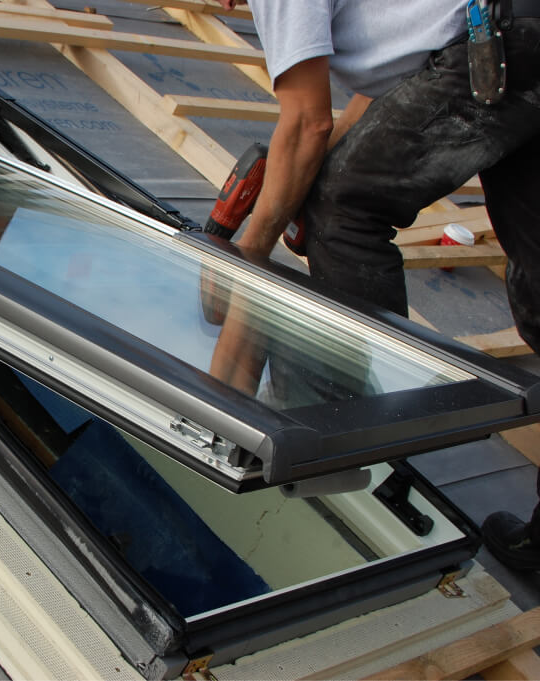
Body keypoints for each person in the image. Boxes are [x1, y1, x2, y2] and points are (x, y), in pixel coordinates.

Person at [212, 0, 540, 569]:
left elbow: (307, 122)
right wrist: (315, 172)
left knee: (341, 206)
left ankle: (347, 436)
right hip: (520, 35)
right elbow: (380, 100)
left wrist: (247, 252)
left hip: (503, 40)